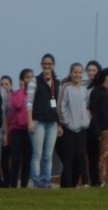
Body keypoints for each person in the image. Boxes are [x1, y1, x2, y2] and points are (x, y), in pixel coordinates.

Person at [28, 54, 61, 189]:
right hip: (38, 121)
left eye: (49, 64)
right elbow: (28, 103)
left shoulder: (57, 83)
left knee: (48, 155)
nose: (47, 66)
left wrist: (59, 124)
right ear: (41, 65)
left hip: (52, 123)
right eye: (45, 63)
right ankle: (36, 181)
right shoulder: (34, 81)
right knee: (37, 154)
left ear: (53, 65)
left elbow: (58, 105)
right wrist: (30, 121)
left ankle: (46, 181)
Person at [58, 63, 91, 188]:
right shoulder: (65, 88)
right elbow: (61, 106)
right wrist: (66, 122)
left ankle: (85, 182)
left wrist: (87, 120)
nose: (77, 75)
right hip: (70, 128)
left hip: (82, 128)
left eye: (80, 72)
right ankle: (66, 184)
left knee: (81, 156)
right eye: (75, 72)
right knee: (68, 157)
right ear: (71, 73)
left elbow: (88, 106)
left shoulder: (84, 89)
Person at [6, 68, 33, 188]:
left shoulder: (35, 94)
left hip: (29, 130)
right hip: (17, 129)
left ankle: (24, 185)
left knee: (27, 159)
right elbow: (16, 105)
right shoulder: (16, 93)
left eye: (31, 77)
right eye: (27, 77)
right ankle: (13, 185)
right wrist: (23, 91)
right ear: (22, 80)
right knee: (16, 158)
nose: (29, 80)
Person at [84, 60, 102, 186]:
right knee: (80, 155)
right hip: (82, 124)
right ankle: (84, 181)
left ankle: (95, 182)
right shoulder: (82, 85)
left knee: (94, 156)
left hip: (95, 125)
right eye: (89, 70)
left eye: (94, 70)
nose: (91, 73)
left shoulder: (101, 87)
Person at [0, 76, 13, 187]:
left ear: (11, 86)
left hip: (13, 132)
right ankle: (0, 182)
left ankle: (9, 182)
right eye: (2, 84)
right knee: (1, 160)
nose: (4, 86)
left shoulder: (15, 97)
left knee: (11, 160)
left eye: (6, 84)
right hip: (0, 132)